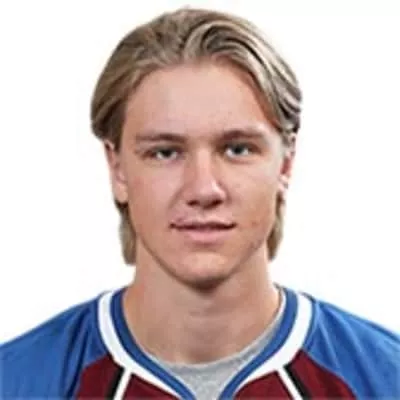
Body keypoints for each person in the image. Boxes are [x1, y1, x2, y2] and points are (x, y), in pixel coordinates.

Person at [1, 7, 399, 399]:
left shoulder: (384, 378)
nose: (203, 188)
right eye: (165, 152)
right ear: (117, 168)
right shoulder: (18, 382)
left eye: (237, 149)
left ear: (286, 163)